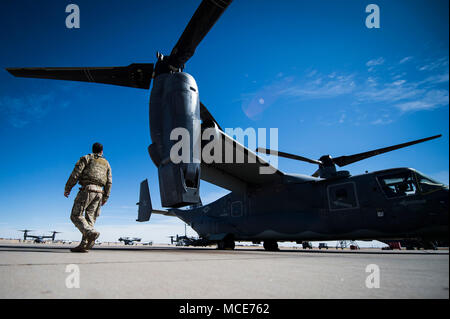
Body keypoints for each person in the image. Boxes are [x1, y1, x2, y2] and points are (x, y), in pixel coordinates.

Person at [64, 142, 112, 253]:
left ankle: (90, 233)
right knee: (90, 218)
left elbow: (76, 174)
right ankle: (84, 245)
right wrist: (105, 197)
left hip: (87, 189)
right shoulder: (106, 164)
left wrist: (68, 187)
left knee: (76, 215)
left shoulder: (86, 158)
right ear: (101, 151)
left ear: (93, 149)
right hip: (99, 192)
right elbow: (109, 182)